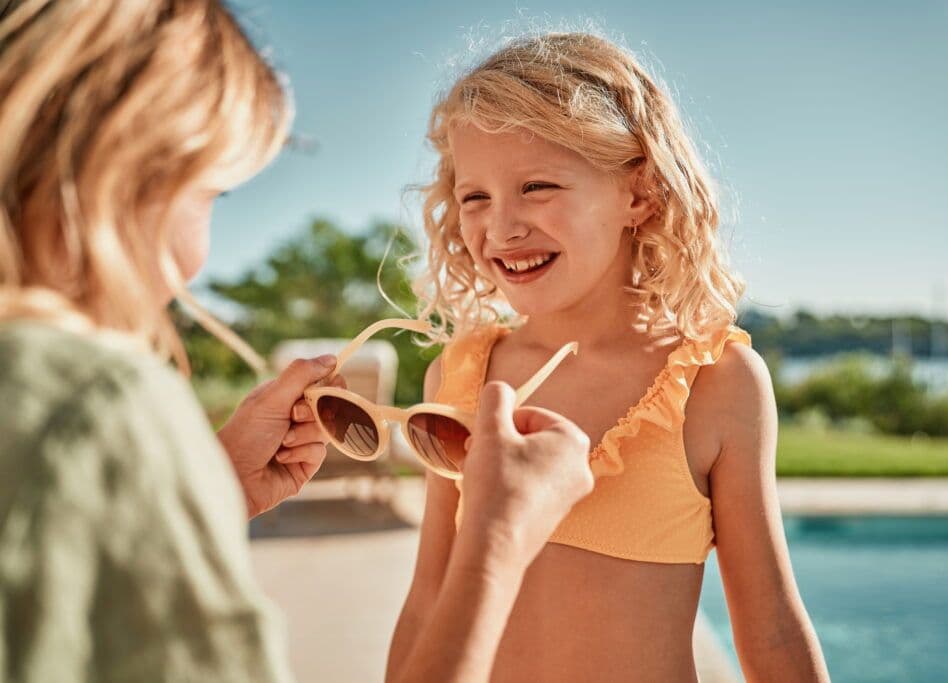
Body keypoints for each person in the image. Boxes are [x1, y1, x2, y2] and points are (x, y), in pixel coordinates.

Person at [0, 3, 593, 682]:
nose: (201, 252)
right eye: (210, 195)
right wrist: (498, 538)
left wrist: (215, 486)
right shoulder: (95, 403)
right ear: (120, 177)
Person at [388, 32, 832, 682]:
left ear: (640, 193)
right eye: (474, 196)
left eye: (536, 186)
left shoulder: (715, 383)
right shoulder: (459, 376)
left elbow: (769, 625)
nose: (501, 226)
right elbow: (428, 601)